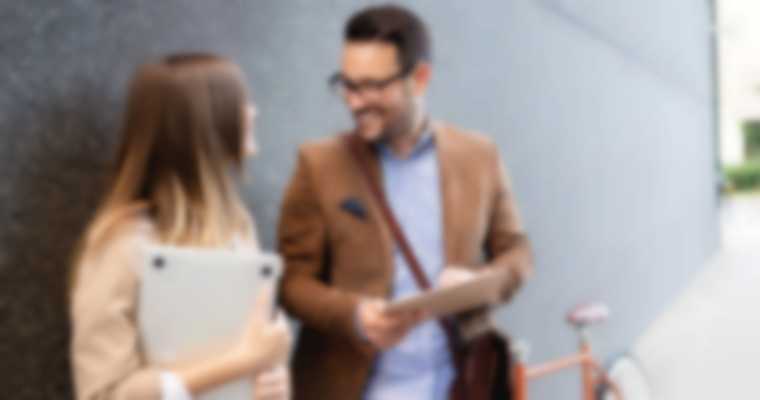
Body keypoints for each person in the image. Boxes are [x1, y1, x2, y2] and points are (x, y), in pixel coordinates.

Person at [278, 5, 533, 400]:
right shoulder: (319, 164)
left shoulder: (479, 156)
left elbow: (517, 252)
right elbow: (291, 283)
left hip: (456, 384)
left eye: (372, 86)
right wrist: (355, 316)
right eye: (347, 85)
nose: (355, 102)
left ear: (420, 78)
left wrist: (481, 283)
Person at [69, 53, 291, 400]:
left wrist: (270, 382)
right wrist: (243, 362)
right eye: (240, 103)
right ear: (207, 123)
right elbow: (102, 394)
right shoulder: (122, 244)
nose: (253, 112)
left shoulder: (238, 227)